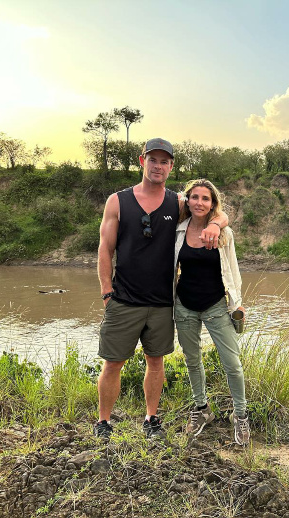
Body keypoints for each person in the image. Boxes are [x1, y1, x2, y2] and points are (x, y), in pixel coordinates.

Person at [94, 138, 228, 441]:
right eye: (153, 160)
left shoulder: (177, 203)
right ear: (142, 162)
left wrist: (217, 225)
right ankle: (103, 422)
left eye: (165, 161)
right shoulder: (118, 201)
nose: (158, 166)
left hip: (163, 301)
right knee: (113, 362)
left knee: (156, 362)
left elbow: (215, 211)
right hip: (124, 298)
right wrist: (106, 291)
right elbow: (105, 249)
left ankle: (151, 418)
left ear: (171, 166)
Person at [173, 179, 250, 446]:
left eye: (205, 199)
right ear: (187, 200)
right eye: (194, 197)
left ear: (213, 203)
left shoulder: (223, 234)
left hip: (216, 305)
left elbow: (233, 270)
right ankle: (201, 409)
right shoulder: (179, 230)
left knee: (233, 364)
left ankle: (240, 416)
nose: (199, 203)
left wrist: (237, 302)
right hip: (184, 305)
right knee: (192, 360)